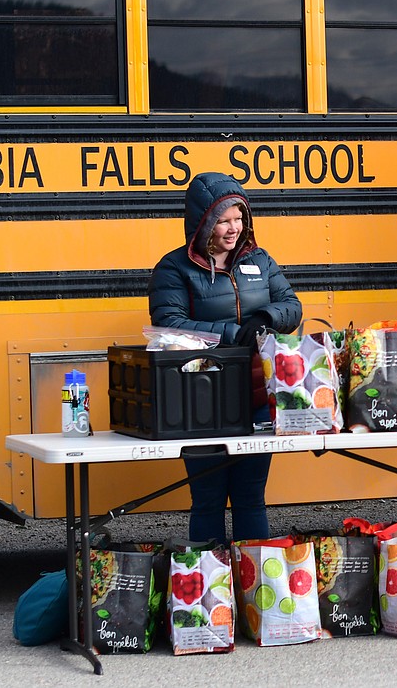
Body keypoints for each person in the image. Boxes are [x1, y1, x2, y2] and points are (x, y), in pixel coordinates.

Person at [148, 172, 302, 543]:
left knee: (251, 498)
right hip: (201, 401)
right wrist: (234, 334)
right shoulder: (174, 268)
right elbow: (169, 324)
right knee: (207, 498)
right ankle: (207, 595)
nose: (233, 229)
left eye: (239, 218)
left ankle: (255, 591)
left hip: (256, 397)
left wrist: (267, 317)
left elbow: (292, 306)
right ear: (202, 221)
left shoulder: (260, 260)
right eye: (223, 220)